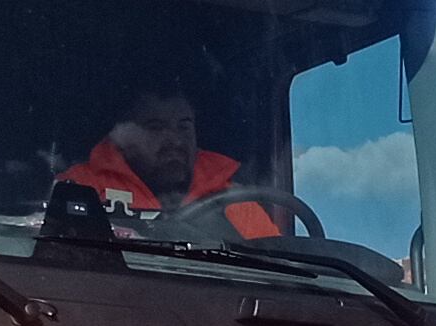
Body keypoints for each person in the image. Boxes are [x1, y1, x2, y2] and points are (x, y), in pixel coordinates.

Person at [62, 87, 284, 237]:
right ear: (123, 137)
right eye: (156, 127)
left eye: (184, 127)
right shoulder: (80, 188)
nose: (175, 140)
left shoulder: (234, 200)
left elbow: (272, 267)